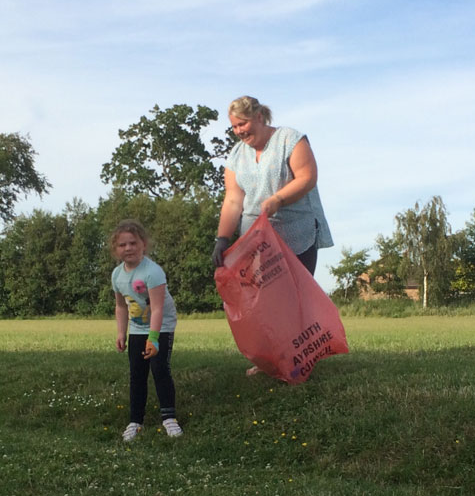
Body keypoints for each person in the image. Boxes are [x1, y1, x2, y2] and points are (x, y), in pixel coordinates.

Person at [212, 95, 333, 275]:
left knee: (295, 300)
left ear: (259, 117)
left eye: (243, 124)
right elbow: (232, 200)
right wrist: (222, 239)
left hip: (297, 237)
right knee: (262, 300)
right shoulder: (236, 155)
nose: (239, 131)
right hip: (256, 243)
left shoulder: (289, 139)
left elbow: (307, 177)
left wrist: (278, 199)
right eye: (234, 127)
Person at [111, 219, 182, 441]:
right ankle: (135, 421)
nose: (128, 248)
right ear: (116, 249)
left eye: (133, 243)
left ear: (143, 244)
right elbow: (121, 306)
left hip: (161, 325)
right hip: (137, 328)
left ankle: (169, 417)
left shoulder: (153, 272)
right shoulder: (117, 275)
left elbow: (158, 309)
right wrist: (122, 333)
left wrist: (154, 339)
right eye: (123, 245)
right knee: (137, 374)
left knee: (160, 369)